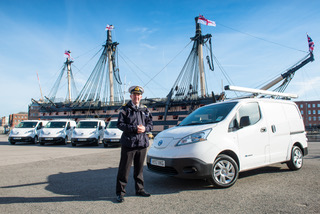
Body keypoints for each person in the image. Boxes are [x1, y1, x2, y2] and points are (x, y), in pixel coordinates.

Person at [116, 85, 153, 203]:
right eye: (134, 95)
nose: (136, 97)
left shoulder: (145, 110)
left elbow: (151, 124)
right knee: (124, 169)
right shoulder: (125, 109)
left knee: (139, 169)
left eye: (138, 95)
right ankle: (120, 193)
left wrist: (145, 128)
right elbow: (120, 124)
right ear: (131, 96)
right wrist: (134, 128)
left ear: (141, 96)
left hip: (141, 143)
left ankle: (140, 189)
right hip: (129, 143)